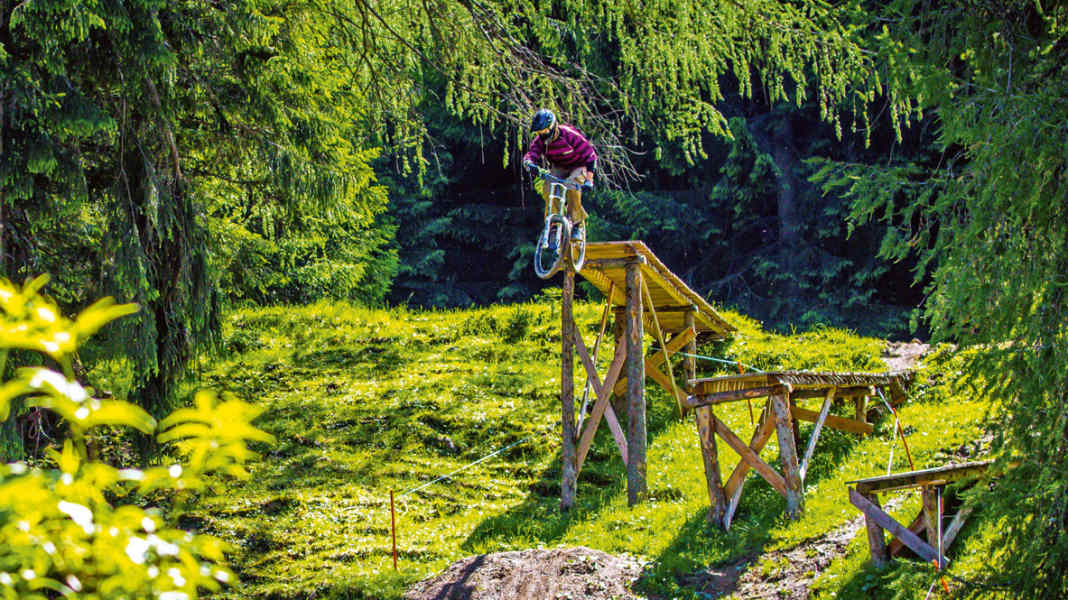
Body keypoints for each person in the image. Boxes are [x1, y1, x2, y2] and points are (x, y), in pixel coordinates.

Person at [521, 109, 596, 243]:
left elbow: (590, 156)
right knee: (549, 187)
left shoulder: (569, 135)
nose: (542, 135)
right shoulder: (541, 141)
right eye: (539, 132)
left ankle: (577, 223)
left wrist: (589, 180)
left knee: (572, 186)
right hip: (559, 166)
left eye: (544, 131)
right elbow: (532, 153)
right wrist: (529, 163)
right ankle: (554, 225)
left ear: (553, 127)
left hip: (578, 166)